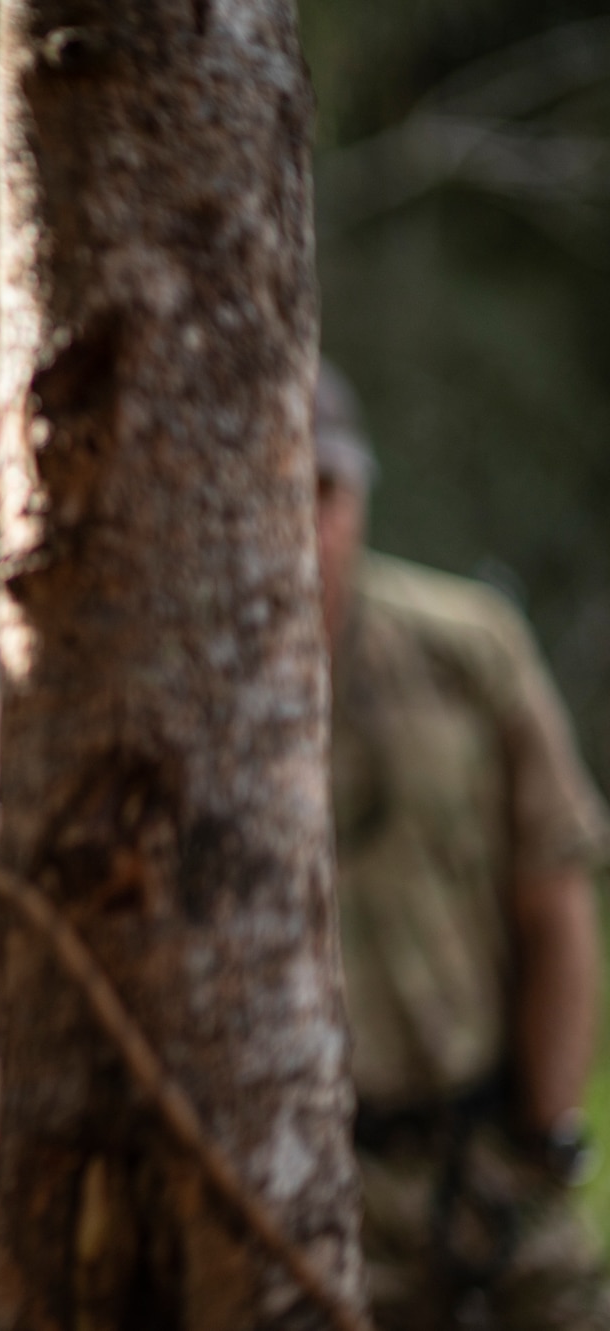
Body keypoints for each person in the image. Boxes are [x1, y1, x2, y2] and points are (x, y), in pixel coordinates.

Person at [315, 364, 610, 1330]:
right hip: (305, 1193)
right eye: (262, 490)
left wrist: (542, 1134)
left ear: (361, 490)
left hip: (489, 1162)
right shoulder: (167, 691)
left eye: (322, 490)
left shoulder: (467, 645)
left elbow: (555, 901)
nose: (300, 526)